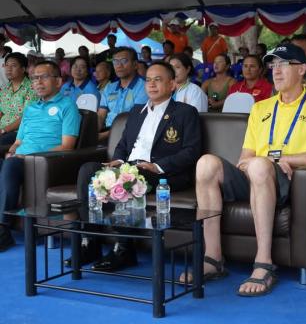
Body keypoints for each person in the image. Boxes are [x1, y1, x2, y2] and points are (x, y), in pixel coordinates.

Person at [182, 43, 306, 296]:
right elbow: (246, 156)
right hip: (252, 173)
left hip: (286, 181)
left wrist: (283, 159)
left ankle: (264, 263)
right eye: (273, 65)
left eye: (284, 64)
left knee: (261, 165)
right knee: (206, 163)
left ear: (301, 69)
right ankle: (213, 258)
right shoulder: (260, 108)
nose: (276, 71)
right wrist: (254, 162)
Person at [70, 62, 202, 271]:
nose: (151, 84)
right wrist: (118, 160)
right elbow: (123, 145)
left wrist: (157, 166)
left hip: (162, 172)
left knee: (130, 176)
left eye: (158, 80)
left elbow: (191, 151)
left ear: (172, 85)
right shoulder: (136, 112)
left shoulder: (185, 112)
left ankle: (123, 249)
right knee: (88, 170)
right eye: (148, 80)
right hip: (129, 167)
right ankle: (90, 241)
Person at [0, 61, 81, 251]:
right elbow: (18, 142)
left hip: (46, 162)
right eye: (35, 78)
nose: (38, 82)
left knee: (11, 165)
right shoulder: (30, 108)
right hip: (20, 159)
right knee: (8, 163)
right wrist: (12, 151)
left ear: (58, 82)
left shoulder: (68, 106)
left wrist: (29, 156)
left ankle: (3, 229)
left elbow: (67, 146)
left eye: (44, 77)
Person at [97, 47, 148, 142]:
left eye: (124, 61)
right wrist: (93, 133)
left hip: (131, 137)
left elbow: (136, 120)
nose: (119, 65)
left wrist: (103, 136)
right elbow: (101, 115)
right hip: (107, 132)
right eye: (115, 61)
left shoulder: (144, 87)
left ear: (135, 65)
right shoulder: (109, 88)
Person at [0, 53, 37, 145]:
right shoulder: (5, 89)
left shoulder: (31, 88)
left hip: (19, 132)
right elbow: (1, 112)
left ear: (23, 69)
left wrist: (4, 130)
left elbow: (27, 117)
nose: (8, 69)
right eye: (6, 65)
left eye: (13, 65)